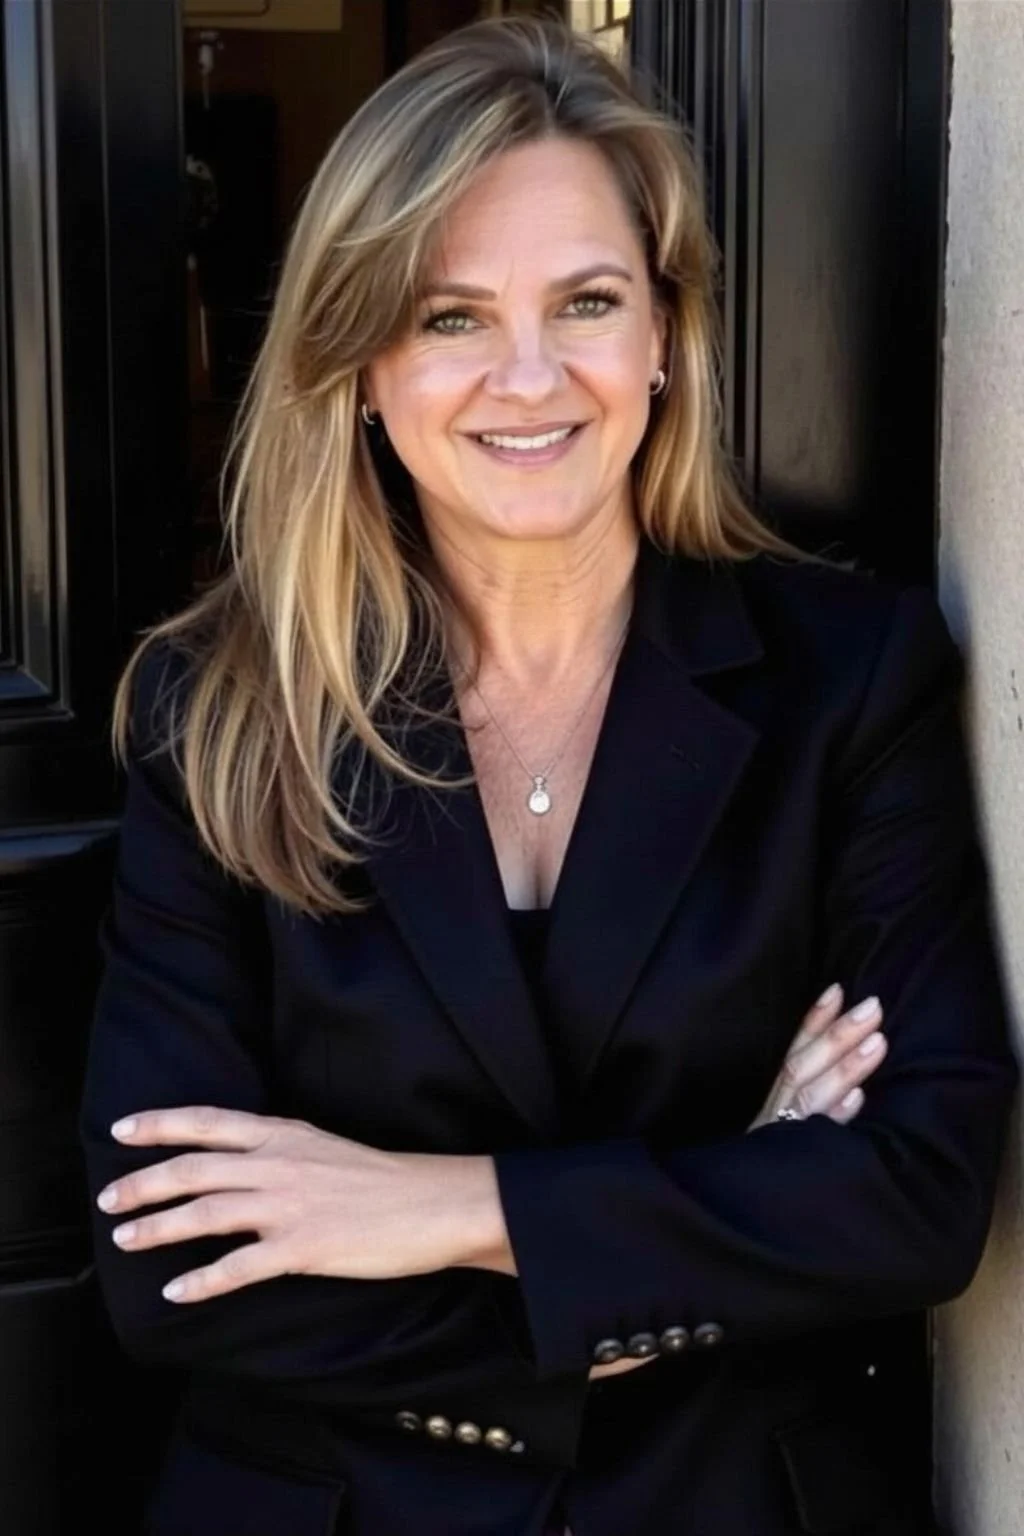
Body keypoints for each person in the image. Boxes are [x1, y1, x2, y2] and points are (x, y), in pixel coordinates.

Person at [78, 17, 1016, 1536]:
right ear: (362, 367)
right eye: (450, 316)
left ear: (664, 337)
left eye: (586, 301)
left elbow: (916, 1194)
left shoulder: (849, 681)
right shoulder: (225, 715)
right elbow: (173, 1265)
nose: (530, 378)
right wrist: (714, 1214)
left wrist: (438, 1209)